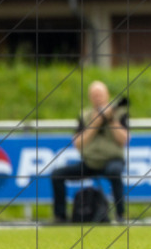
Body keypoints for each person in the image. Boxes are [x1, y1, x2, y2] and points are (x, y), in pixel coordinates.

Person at [51, 81, 129, 223]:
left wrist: (110, 120)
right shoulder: (85, 115)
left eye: (100, 94)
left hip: (112, 160)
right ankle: (60, 216)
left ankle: (120, 215)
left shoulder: (119, 114)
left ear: (107, 95)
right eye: (94, 95)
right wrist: (96, 122)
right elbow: (78, 143)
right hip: (90, 162)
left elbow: (124, 140)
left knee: (115, 172)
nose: (97, 98)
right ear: (89, 97)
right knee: (57, 175)